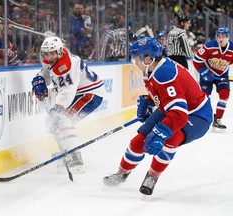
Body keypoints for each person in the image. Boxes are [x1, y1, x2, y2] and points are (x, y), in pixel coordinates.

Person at [103, 37, 213, 196]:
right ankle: (122, 173)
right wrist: (148, 101)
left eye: (136, 58)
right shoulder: (150, 69)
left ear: (148, 57)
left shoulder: (165, 74)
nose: (135, 62)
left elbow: (179, 114)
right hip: (173, 108)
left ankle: (152, 176)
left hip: (197, 114)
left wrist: (161, 133)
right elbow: (164, 96)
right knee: (139, 141)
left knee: (170, 140)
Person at [31, 36, 104, 172]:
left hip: (90, 94)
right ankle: (67, 152)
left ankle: (76, 159)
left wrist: (58, 108)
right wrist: (39, 79)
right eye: (46, 53)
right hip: (78, 93)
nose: (49, 56)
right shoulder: (54, 58)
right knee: (54, 123)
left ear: (59, 51)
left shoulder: (66, 65)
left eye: (51, 53)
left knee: (62, 120)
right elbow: (46, 73)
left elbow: (67, 91)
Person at [193, 27, 233, 129]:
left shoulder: (232, 48)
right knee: (204, 97)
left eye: (223, 37)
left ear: (228, 37)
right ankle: (200, 118)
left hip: (222, 74)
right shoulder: (209, 46)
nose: (221, 39)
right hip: (208, 72)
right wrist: (204, 73)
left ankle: (218, 119)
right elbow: (196, 60)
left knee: (225, 94)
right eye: (219, 36)